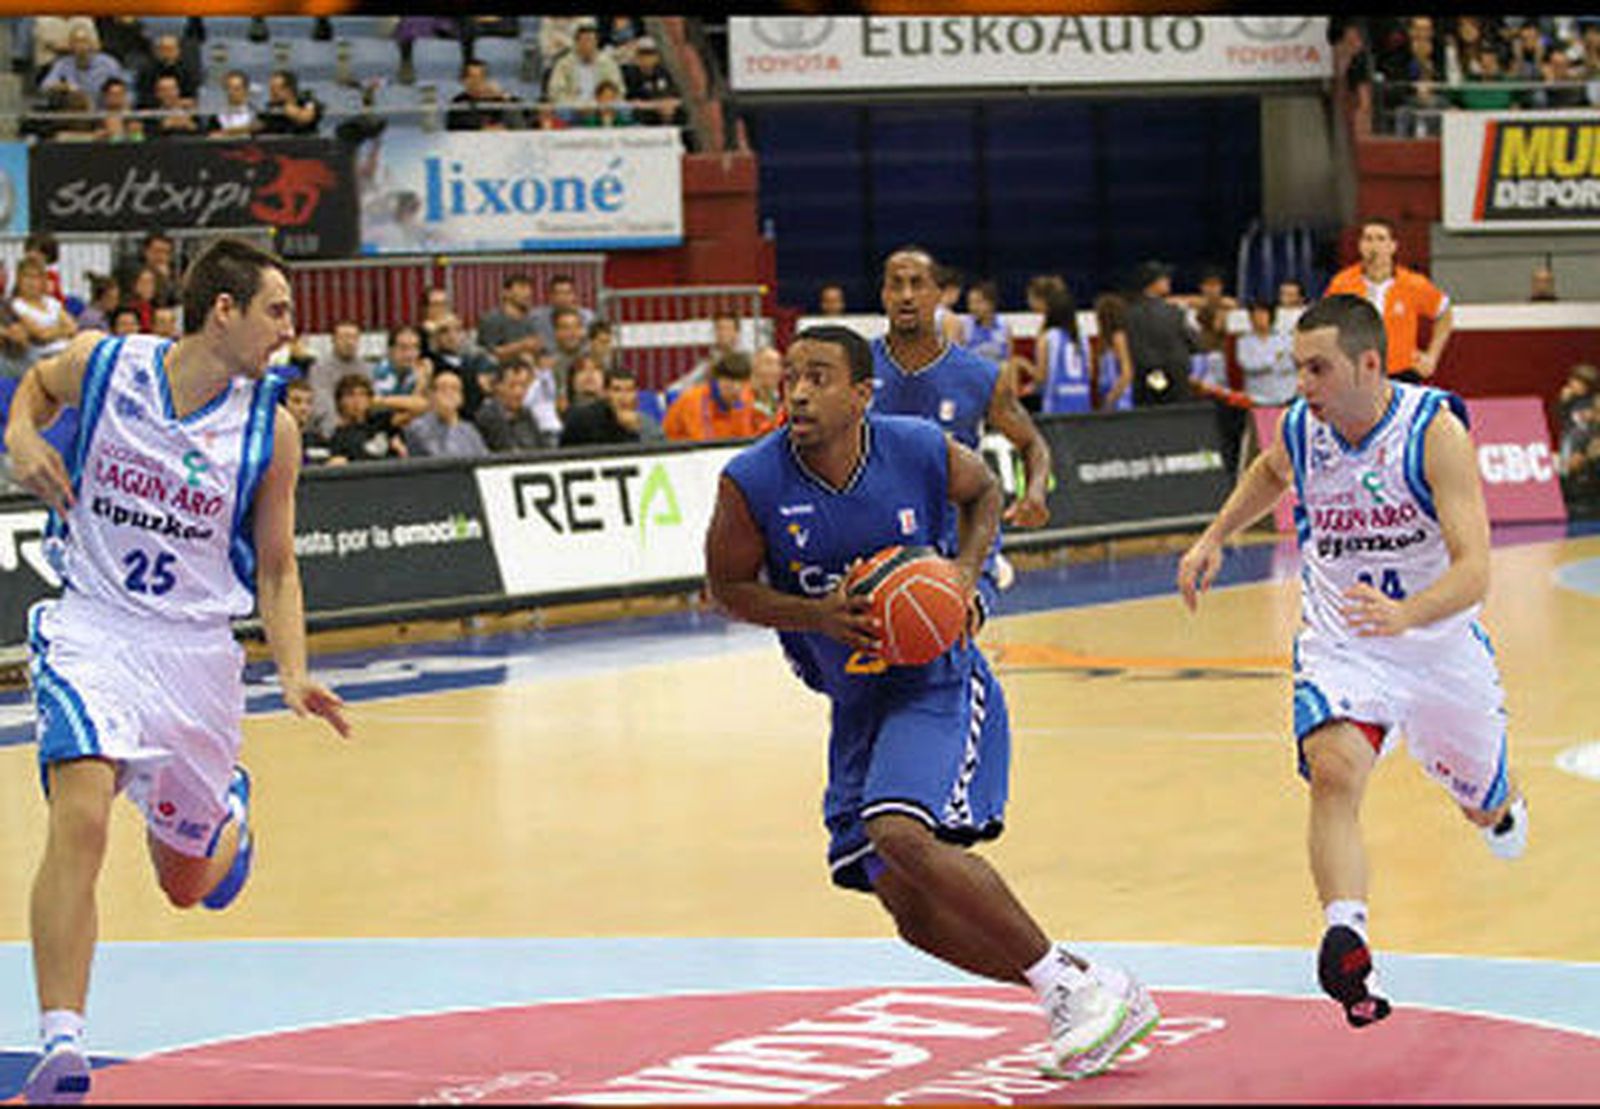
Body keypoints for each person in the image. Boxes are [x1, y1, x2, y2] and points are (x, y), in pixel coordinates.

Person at [706, 325, 1159, 1083]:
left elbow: (984, 488)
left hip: (935, 677)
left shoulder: (915, 446)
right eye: (793, 377)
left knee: (899, 828)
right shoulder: (751, 480)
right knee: (909, 913)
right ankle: (1086, 983)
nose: (802, 391)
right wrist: (816, 615)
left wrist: (969, 578)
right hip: (853, 699)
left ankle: (1065, 986)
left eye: (820, 377)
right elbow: (726, 589)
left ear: (862, 394)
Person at [5, 238, 351, 1105]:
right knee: (79, 812)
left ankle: (224, 808)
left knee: (185, 881)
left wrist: (295, 670)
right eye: (276, 309)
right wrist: (19, 438)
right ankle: (62, 1040)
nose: (288, 329)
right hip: (94, 625)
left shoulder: (272, 430)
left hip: (195, 654)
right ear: (223, 311)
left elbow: (276, 566)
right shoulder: (105, 362)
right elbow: (37, 389)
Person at [1177, 294, 1527, 1031]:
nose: (1301, 383)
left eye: (1317, 368)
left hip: (1438, 645)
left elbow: (1475, 571)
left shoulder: (1434, 431)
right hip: (1344, 642)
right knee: (1333, 771)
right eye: (1299, 366)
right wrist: (1213, 535)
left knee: (1482, 804)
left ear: (1369, 363)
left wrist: (1408, 614)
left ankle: (1497, 805)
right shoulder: (1308, 426)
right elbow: (1271, 471)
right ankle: (1347, 933)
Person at [870, 246, 1053, 611]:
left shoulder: (981, 376)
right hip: (880, 545)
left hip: (961, 548)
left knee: (947, 639)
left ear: (939, 294)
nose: (907, 295)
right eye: (896, 285)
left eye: (918, 284)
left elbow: (1033, 445)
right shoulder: (855, 366)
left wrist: (1034, 493)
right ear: (884, 295)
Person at [1324, 216, 1453, 384]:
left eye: (1380, 239)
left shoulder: (1413, 283)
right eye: (1368, 239)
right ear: (1360, 246)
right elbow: (1325, 324)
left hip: (1403, 374)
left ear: (1393, 246)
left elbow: (1444, 313)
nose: (1374, 245)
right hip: (1356, 375)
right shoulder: (1342, 283)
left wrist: (1432, 356)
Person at [1123, 260, 1199, 406]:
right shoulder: (1175, 312)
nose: (1168, 281)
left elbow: (1138, 353)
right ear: (1152, 283)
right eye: (1163, 278)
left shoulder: (1130, 314)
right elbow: (1195, 344)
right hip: (1178, 383)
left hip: (1149, 383)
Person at [662, 351, 770, 442]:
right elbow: (705, 446)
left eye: (741, 383)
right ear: (718, 380)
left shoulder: (745, 398)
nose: (737, 389)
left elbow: (746, 439)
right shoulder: (695, 401)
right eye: (730, 383)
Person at [560, 365, 663, 446]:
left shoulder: (646, 423)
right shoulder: (583, 420)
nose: (624, 397)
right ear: (605, 393)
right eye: (616, 390)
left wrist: (635, 430)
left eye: (629, 390)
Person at [402, 368, 489, 459]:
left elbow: (484, 460)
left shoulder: (470, 430)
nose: (449, 393)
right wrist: (447, 416)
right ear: (431, 396)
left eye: (454, 389)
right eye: (443, 389)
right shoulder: (418, 427)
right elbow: (440, 458)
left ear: (461, 398)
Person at [11, 256, 77, 373]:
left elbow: (72, 327)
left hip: (67, 352)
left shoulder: (51, 302)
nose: (31, 282)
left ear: (43, 280)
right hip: (42, 359)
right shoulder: (17, 305)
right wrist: (61, 330)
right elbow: (41, 335)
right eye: (27, 276)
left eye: (36, 277)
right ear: (19, 279)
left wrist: (52, 332)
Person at [1037, 284, 1093, 416]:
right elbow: (1090, 373)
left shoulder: (1048, 337)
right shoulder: (1083, 338)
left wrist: (1023, 365)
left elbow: (1041, 377)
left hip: (1057, 403)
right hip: (1082, 400)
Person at [309, 320, 371, 438]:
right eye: (344, 337)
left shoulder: (365, 367)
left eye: (354, 338)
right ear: (333, 340)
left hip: (361, 421)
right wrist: (340, 424)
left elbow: (371, 398)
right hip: (330, 423)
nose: (349, 342)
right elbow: (321, 403)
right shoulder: (320, 368)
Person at [1235, 299, 1297, 408]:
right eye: (1255, 315)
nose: (1258, 318)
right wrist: (1274, 359)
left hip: (1285, 396)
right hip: (1257, 398)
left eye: (1262, 314)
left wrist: (1268, 363)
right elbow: (1248, 365)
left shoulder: (1285, 338)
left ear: (1271, 316)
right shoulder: (1243, 341)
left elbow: (1290, 364)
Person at [474, 360, 542, 453]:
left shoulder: (527, 414)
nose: (518, 392)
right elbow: (507, 451)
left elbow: (541, 448)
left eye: (523, 386)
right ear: (498, 386)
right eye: (512, 386)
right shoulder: (489, 415)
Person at [477, 275, 544, 366]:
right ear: (506, 293)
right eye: (522, 288)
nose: (528, 293)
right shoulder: (492, 319)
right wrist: (522, 345)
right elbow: (489, 354)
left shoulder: (531, 320)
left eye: (529, 288)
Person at [1091, 292, 1134, 412]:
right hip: (1106, 394)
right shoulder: (1103, 342)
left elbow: (1127, 373)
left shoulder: (1119, 337)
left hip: (1120, 399)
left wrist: (1112, 397)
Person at [958, 280, 1012, 367]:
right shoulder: (964, 326)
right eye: (970, 303)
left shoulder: (1004, 326)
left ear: (991, 303)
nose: (973, 307)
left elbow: (1008, 360)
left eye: (978, 302)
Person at [282, 376, 332, 465]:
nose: (304, 408)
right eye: (296, 401)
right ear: (283, 405)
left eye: (309, 402)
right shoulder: (274, 442)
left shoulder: (318, 440)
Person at [257, 69, 322, 136]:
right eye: (270, 88)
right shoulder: (270, 108)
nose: (272, 93)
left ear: (289, 89)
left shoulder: (307, 102)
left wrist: (289, 109)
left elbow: (306, 118)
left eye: (275, 88)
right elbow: (260, 124)